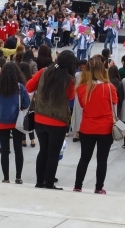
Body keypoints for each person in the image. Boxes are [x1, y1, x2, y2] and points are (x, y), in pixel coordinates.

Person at [26, 50, 77, 190]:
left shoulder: (43, 71)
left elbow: (29, 87)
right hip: (58, 121)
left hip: (39, 118)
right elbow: (71, 97)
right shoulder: (69, 79)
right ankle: (49, 184)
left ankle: (39, 182)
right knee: (53, 154)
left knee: (43, 151)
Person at [74, 57, 118, 194]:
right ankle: (99, 188)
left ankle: (78, 186)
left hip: (87, 127)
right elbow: (115, 103)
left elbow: (82, 106)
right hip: (105, 128)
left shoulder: (81, 88)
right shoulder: (109, 87)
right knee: (102, 160)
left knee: (84, 158)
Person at [0, 62, 30, 184]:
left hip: (2, 121)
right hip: (17, 122)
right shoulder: (19, 87)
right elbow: (26, 104)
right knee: (18, 150)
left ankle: (6, 178)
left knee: (5, 151)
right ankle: (18, 177)